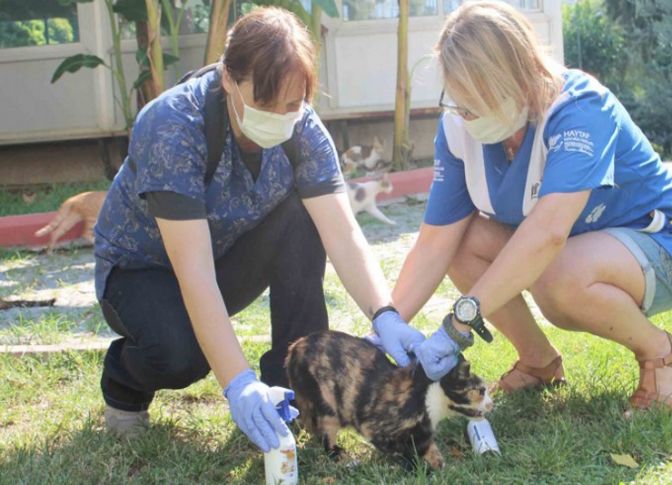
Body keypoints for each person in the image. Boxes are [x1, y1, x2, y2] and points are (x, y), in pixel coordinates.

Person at [94, 7, 424, 450]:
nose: (281, 115)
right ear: (229, 78)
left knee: (303, 214)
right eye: (266, 102)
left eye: (293, 102)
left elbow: (342, 233)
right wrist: (238, 383)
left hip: (220, 258)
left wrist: (385, 315)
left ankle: (292, 391)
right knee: (182, 356)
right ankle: (123, 383)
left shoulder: (303, 127)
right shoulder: (173, 125)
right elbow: (193, 274)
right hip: (140, 273)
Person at [391, 1, 672, 412]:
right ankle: (539, 362)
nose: (466, 112)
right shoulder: (459, 127)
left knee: (556, 272)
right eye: (459, 97)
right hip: (581, 249)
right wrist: (384, 329)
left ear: (517, 75)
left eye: (477, 97)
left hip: (666, 246)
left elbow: (547, 235)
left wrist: (457, 325)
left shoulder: (580, 108)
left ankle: (659, 351)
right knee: (464, 239)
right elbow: (434, 244)